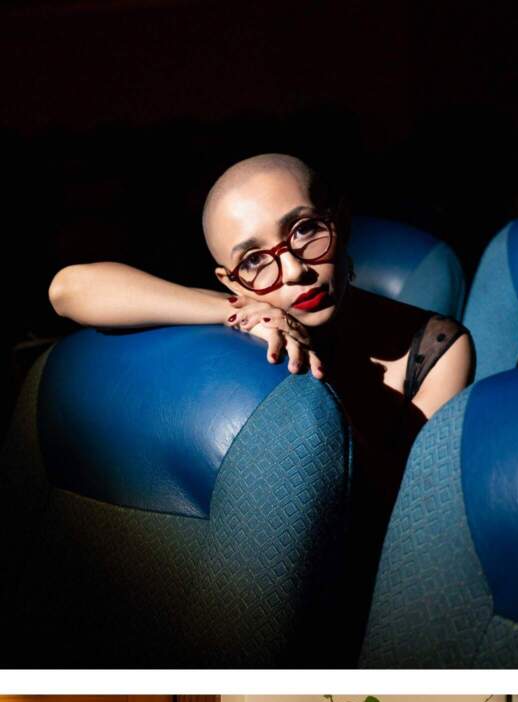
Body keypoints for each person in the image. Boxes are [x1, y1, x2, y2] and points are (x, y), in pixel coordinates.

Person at [48, 154, 477, 641]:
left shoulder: (437, 349)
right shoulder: (249, 314)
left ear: (341, 220)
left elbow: (402, 537)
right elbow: (68, 288)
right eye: (254, 261)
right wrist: (232, 311)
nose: (292, 269)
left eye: (304, 230)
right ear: (231, 279)